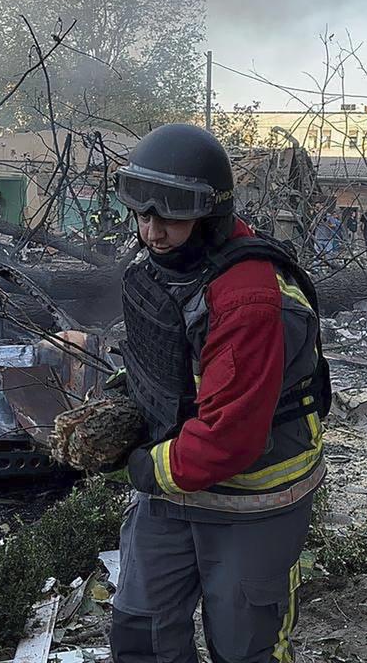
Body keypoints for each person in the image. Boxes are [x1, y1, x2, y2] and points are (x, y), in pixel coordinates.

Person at [110, 123, 332, 663]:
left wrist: (142, 468)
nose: (153, 232)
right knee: (142, 634)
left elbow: (231, 436)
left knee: (244, 647)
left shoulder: (250, 298)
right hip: (176, 487)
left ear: (209, 214)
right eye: (143, 214)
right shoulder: (168, 264)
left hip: (252, 497)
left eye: (171, 216)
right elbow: (163, 358)